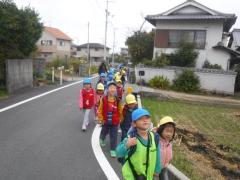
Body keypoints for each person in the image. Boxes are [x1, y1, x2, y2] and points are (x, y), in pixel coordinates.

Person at [116, 108, 161, 179]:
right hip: (132, 176)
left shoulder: (154, 137)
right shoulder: (131, 138)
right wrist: (127, 145)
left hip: (148, 176)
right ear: (134, 124)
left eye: (147, 118)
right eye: (140, 118)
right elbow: (118, 153)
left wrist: (157, 170)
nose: (145, 120)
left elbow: (158, 155)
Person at [98, 81, 123, 157]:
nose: (112, 89)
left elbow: (120, 110)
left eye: (114, 88)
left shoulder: (118, 100)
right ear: (107, 89)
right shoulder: (103, 99)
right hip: (105, 121)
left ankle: (113, 149)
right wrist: (101, 118)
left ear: (115, 90)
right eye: (111, 88)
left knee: (114, 136)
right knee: (104, 131)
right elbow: (100, 109)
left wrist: (121, 118)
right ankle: (102, 138)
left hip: (115, 122)